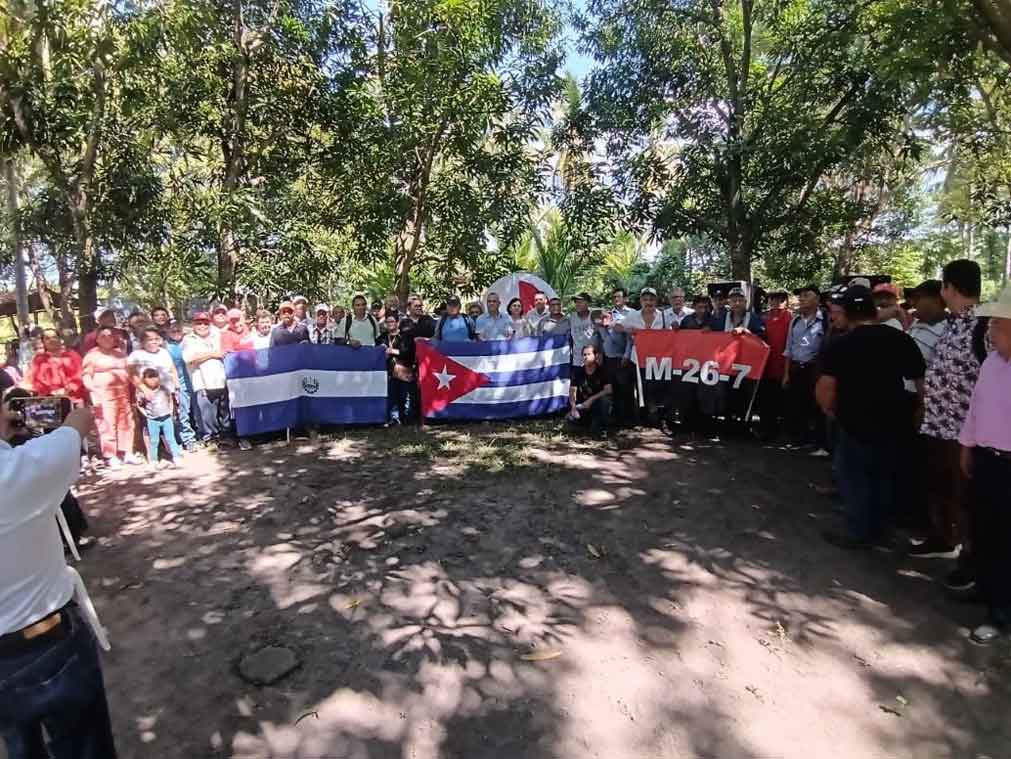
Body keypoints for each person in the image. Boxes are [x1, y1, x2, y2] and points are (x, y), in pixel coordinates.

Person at [0, 403, 118, 759]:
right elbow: (79, 420)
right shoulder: (22, 468)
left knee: (21, 747)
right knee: (84, 746)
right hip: (47, 642)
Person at [816, 285, 926, 550]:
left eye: (838, 311)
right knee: (884, 476)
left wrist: (830, 411)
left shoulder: (841, 344)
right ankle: (880, 529)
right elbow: (920, 379)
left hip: (854, 423)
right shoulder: (899, 339)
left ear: (848, 312)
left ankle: (859, 531)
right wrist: (921, 409)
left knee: (854, 477)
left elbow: (826, 387)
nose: (835, 317)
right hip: (894, 421)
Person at [911, 261, 989, 582]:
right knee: (940, 487)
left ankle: (971, 563)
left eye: (943, 285)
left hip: (964, 432)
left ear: (949, 288)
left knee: (966, 500)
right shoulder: (954, 323)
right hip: (938, 425)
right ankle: (942, 537)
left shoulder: (984, 327)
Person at [958, 286, 1011, 645]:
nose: (989, 331)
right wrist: (967, 445)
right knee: (984, 531)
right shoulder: (992, 362)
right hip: (986, 459)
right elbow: (976, 407)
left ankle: (1000, 614)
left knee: (1006, 539)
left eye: (996, 324)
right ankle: (987, 589)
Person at [81, 326, 136, 467]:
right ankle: (110, 456)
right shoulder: (92, 355)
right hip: (103, 395)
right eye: (103, 336)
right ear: (97, 339)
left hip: (123, 393)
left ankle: (127, 452)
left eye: (110, 336)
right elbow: (86, 376)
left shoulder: (120, 353)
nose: (107, 339)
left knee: (126, 423)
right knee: (107, 424)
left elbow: (130, 373)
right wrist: (93, 393)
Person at [782, 285, 826, 447]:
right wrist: (786, 373)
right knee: (795, 404)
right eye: (800, 296)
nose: (801, 299)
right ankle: (798, 438)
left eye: (806, 295)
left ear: (817, 299)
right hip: (795, 368)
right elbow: (789, 348)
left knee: (815, 404)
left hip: (815, 369)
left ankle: (817, 440)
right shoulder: (795, 321)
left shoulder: (825, 320)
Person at [183, 312, 231, 446]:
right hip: (202, 382)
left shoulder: (217, 335)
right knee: (208, 413)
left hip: (221, 379)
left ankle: (225, 437)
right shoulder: (189, 339)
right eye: (199, 323)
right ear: (193, 325)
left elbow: (225, 352)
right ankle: (211, 438)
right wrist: (212, 354)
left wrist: (206, 355)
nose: (202, 326)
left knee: (224, 411)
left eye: (205, 323)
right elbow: (190, 358)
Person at [757, 291, 792, 440]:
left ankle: (780, 430)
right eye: (772, 299)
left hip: (782, 364)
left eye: (778, 299)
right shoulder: (763, 317)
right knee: (765, 399)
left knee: (781, 399)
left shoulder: (790, 317)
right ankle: (765, 428)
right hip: (765, 364)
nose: (775, 302)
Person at [597, 287, 633, 424]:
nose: (616, 299)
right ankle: (617, 417)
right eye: (614, 297)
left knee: (626, 388)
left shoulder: (632, 314)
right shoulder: (608, 314)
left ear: (626, 299)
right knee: (614, 388)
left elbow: (631, 338)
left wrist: (627, 355)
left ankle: (629, 418)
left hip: (622, 357)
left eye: (619, 296)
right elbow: (603, 337)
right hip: (609, 357)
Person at [136, 367, 183, 468]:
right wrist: (146, 414)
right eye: (150, 377)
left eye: (155, 376)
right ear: (144, 379)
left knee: (170, 438)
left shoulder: (164, 389)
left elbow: (170, 399)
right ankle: (154, 460)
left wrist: (170, 411)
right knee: (154, 440)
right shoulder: (143, 393)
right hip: (153, 420)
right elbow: (139, 404)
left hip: (166, 418)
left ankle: (176, 457)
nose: (153, 379)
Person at [399, 296, 436, 422]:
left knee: (427, 389)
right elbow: (406, 335)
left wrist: (424, 339)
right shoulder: (404, 322)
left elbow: (435, 335)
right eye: (416, 306)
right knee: (412, 391)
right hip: (409, 361)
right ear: (409, 308)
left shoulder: (428, 320)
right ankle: (412, 417)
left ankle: (427, 416)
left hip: (427, 362)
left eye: (420, 306)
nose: (419, 308)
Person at [164, 320, 198, 451]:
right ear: (167, 331)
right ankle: (188, 439)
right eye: (172, 330)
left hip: (195, 380)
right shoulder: (165, 346)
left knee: (198, 410)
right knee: (183, 412)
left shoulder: (189, 340)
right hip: (179, 382)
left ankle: (201, 434)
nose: (176, 332)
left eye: (178, 329)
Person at [29, 329, 86, 405]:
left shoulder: (72, 355)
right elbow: (38, 381)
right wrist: (51, 393)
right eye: (47, 338)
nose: (51, 340)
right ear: (43, 342)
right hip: (49, 400)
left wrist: (65, 390)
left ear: (60, 339)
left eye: (54, 337)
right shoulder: (39, 359)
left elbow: (78, 377)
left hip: (73, 398)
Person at [567, 344, 612, 437]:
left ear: (595, 356)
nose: (586, 357)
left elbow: (609, 390)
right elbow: (572, 392)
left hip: (597, 406)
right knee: (570, 420)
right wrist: (573, 408)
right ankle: (584, 426)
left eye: (588, 354)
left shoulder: (603, 371)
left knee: (605, 400)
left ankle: (602, 428)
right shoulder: (578, 372)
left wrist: (591, 400)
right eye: (584, 355)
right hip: (582, 406)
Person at [905, 280, 947, 368]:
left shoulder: (948, 332)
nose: (913, 303)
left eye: (917, 298)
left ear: (936, 300)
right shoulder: (916, 324)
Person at [127, 327, 179, 394]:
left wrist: (177, 385)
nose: (154, 342)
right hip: (149, 394)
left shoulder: (164, 352)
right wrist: (145, 390)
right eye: (150, 340)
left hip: (169, 392)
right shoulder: (136, 355)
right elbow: (131, 374)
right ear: (142, 342)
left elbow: (172, 369)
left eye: (156, 339)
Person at [379, 316, 409, 424]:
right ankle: (393, 418)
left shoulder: (405, 336)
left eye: (392, 321)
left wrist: (393, 351)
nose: (390, 323)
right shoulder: (382, 337)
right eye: (387, 322)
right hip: (389, 370)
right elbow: (377, 350)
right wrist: (381, 350)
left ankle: (405, 418)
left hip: (403, 369)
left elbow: (409, 352)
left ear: (397, 322)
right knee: (391, 395)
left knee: (403, 395)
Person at [565, 292, 599, 386]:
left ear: (588, 303)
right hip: (578, 359)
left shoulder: (595, 315)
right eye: (576, 302)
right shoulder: (572, 317)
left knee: (595, 386)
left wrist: (600, 353)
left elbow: (603, 335)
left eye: (580, 301)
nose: (577, 304)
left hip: (594, 359)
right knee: (578, 386)